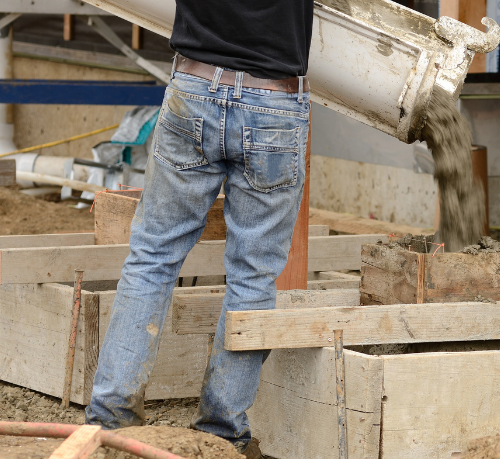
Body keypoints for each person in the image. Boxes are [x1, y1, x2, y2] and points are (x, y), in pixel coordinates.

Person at [85, 1, 314, 456]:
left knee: (152, 256)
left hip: (193, 88)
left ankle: (110, 419)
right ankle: (222, 433)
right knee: (253, 276)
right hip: (274, 102)